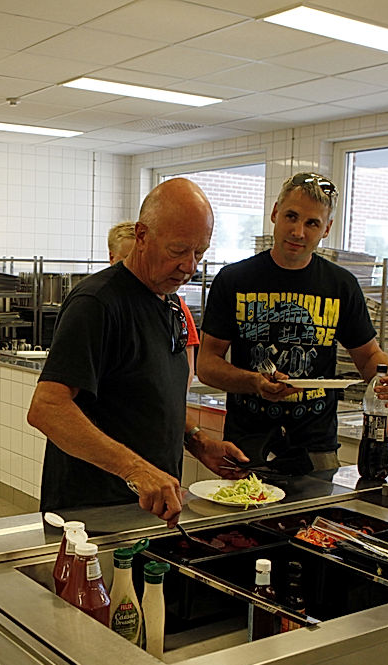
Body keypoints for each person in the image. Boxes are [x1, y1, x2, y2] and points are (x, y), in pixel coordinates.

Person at [28, 179, 247, 525]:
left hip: (154, 509)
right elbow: (47, 408)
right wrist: (136, 470)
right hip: (93, 516)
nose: (190, 266)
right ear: (142, 236)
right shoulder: (97, 303)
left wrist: (197, 440)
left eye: (200, 253)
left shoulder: (170, 303)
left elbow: (152, 397)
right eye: (178, 251)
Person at [196, 172, 388, 472]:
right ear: (275, 213)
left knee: (317, 519)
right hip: (246, 444)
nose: (298, 232)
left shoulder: (341, 285)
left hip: (316, 449)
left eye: (312, 223)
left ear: (327, 229)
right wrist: (254, 383)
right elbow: (207, 365)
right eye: (291, 216)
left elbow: (368, 359)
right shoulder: (234, 280)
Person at [108, 220, 200, 387]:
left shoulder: (175, 306)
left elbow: (186, 367)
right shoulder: (102, 305)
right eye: (127, 259)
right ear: (112, 258)